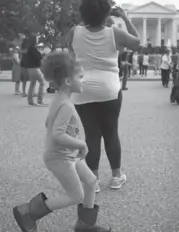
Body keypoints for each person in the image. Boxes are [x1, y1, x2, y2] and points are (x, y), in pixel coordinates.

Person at [12, 52, 111, 232]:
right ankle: (28, 212)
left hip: (67, 154)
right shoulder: (65, 104)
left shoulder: (60, 99)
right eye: (80, 77)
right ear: (67, 81)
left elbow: (48, 123)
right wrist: (81, 144)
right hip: (60, 158)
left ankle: (85, 225)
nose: (83, 80)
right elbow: (57, 134)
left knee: (90, 181)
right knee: (76, 195)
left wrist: (72, 141)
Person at [66, 0, 140, 192]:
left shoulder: (74, 32)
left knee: (91, 134)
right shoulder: (113, 32)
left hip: (83, 87)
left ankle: (93, 179)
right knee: (111, 132)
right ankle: (116, 175)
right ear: (106, 13)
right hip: (109, 88)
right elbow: (137, 40)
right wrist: (124, 17)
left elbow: (72, 53)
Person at [23, 34, 47, 106]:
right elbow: (38, 57)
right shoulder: (32, 48)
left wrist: (40, 55)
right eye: (37, 39)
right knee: (42, 82)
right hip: (34, 68)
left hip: (30, 68)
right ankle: (40, 100)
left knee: (32, 84)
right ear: (34, 40)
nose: (38, 40)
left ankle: (30, 101)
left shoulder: (30, 48)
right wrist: (42, 54)